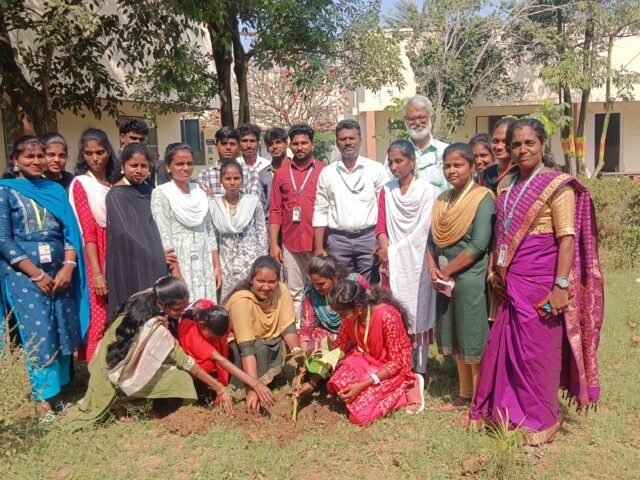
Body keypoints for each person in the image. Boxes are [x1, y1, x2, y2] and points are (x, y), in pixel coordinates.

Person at [470, 118, 604, 445]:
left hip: (543, 285)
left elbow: (567, 239)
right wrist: (494, 272)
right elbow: (501, 236)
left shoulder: (557, 186)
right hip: (510, 282)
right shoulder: (507, 185)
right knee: (506, 346)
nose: (522, 150)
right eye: (516, 144)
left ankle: (541, 419)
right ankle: (505, 410)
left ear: (543, 145)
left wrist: (560, 287)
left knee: (538, 349)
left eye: (529, 143)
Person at [62, 277, 233, 430]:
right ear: (161, 304)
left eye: (185, 305)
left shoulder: (145, 297)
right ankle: (120, 402)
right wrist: (219, 388)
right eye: (178, 309)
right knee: (183, 378)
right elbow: (185, 361)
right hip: (113, 371)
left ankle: (123, 403)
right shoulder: (154, 327)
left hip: (112, 362)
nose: (183, 312)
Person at [0, 136, 89, 416]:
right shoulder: (6, 191)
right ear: (15, 160)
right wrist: (36, 274)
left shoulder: (55, 190)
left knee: (62, 328)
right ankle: (43, 401)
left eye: (41, 156)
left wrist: (68, 267)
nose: (37, 161)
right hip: (24, 276)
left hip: (60, 273)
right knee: (39, 333)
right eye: (30, 157)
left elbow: (70, 232)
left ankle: (58, 392)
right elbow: (3, 239)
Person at [296, 279, 425, 425]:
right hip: (367, 360)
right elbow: (338, 350)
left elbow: (396, 362)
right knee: (337, 383)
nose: (341, 319)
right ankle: (367, 394)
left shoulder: (387, 315)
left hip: (393, 369)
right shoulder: (349, 318)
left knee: (359, 417)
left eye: (343, 314)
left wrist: (362, 386)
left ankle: (408, 386)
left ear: (358, 308)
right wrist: (312, 382)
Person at [427, 143, 495, 411]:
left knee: (472, 336)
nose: (451, 170)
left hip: (469, 278)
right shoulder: (442, 198)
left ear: (472, 167)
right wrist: (433, 269)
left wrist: (447, 270)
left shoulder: (483, 197)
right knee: (454, 333)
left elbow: (478, 246)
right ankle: (464, 394)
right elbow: (431, 240)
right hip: (445, 279)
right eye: (447, 165)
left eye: (458, 165)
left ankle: (478, 400)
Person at [376, 140, 437, 376]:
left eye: (399, 161)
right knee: (394, 310)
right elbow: (381, 225)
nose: (394, 167)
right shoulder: (386, 190)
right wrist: (386, 252)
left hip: (419, 260)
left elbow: (425, 228)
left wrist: (396, 251)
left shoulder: (426, 190)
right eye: (391, 162)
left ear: (412, 161)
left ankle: (420, 367)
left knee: (419, 307)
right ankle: (399, 362)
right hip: (391, 260)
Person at [105, 143, 178, 318]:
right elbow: (125, 231)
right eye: (133, 165)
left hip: (154, 258)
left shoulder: (149, 190)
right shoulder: (116, 194)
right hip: (130, 259)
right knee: (135, 311)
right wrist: (157, 255)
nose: (139, 170)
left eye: (144, 166)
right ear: (123, 166)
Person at [225, 256, 304, 414]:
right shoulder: (241, 301)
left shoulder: (281, 290)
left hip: (269, 340)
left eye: (271, 282)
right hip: (241, 348)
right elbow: (247, 348)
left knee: (272, 344)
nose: (266, 287)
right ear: (251, 279)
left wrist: (298, 355)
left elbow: (288, 328)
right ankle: (250, 386)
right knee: (259, 347)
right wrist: (253, 387)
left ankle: (265, 381)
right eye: (260, 281)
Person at [313, 119, 387, 284]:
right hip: (338, 242)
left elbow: (385, 208)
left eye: (352, 138)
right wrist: (319, 247)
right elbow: (320, 209)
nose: (347, 142)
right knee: (341, 288)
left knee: (369, 289)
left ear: (360, 140)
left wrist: (382, 242)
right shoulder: (327, 173)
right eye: (343, 139)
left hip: (369, 240)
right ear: (337, 142)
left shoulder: (376, 169)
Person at [69, 128, 117, 361]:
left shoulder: (114, 182)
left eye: (100, 152)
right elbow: (88, 231)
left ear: (109, 151)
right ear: (83, 155)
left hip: (117, 252)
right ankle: (95, 374)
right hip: (95, 255)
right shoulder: (82, 183)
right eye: (89, 153)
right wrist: (97, 274)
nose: (95, 158)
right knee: (99, 316)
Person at [151, 144, 220, 300]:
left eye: (189, 163)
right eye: (179, 164)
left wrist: (216, 266)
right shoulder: (162, 193)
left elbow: (209, 230)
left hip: (204, 258)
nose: (186, 168)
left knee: (206, 305)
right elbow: (164, 235)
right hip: (180, 258)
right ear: (168, 167)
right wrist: (176, 273)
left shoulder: (200, 191)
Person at [270, 123, 325, 316]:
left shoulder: (324, 171)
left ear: (312, 144)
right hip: (291, 243)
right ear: (290, 146)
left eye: (304, 143)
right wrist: (274, 245)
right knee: (294, 291)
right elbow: (275, 210)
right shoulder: (281, 174)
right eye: (295, 144)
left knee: (321, 287)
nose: (299, 147)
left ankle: (320, 327)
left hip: (318, 243)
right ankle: (299, 330)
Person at [177, 299, 275, 407]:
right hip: (180, 357)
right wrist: (255, 384)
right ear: (201, 325)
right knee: (207, 365)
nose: (215, 340)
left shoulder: (211, 312)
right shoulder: (188, 329)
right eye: (212, 336)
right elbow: (219, 359)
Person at [210, 159, 268, 301]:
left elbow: (261, 233)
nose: (232, 183)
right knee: (228, 300)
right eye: (228, 179)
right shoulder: (214, 205)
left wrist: (261, 263)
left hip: (250, 260)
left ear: (242, 180)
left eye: (236, 178)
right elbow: (213, 238)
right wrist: (216, 266)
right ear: (221, 180)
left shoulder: (252, 202)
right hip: (226, 262)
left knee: (251, 298)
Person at [299, 255, 370, 354]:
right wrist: (303, 354)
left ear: (335, 277)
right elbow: (306, 327)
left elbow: (369, 309)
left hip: (355, 330)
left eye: (321, 283)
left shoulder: (355, 283)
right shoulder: (312, 294)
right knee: (315, 339)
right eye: (313, 283)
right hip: (331, 336)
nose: (316, 288)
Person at [400, 96, 449, 194]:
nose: (417, 122)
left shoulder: (445, 151)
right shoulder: (397, 154)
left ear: (430, 117)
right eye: (412, 118)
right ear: (405, 120)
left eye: (422, 117)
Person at [197, 127, 259, 196]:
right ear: (216, 146)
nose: (228, 147)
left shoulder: (250, 173)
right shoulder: (206, 174)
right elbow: (203, 200)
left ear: (239, 147)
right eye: (224, 144)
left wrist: (214, 197)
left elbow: (253, 199)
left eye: (232, 144)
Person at [260, 127, 292, 222]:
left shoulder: (296, 170)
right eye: (270, 144)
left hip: (292, 224)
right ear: (267, 148)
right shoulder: (263, 175)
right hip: (270, 224)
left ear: (286, 143)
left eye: (278, 142)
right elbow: (261, 206)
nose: (275, 147)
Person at [481, 117, 517, 193]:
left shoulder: (522, 174)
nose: (499, 147)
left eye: (505, 141)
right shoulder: (486, 175)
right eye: (495, 141)